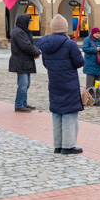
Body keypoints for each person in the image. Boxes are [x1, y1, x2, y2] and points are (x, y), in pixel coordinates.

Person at [38, 14, 85, 155]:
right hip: (69, 82)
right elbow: (79, 63)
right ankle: (68, 145)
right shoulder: (69, 44)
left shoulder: (45, 44)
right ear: (65, 28)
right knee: (69, 113)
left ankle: (58, 144)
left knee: (57, 113)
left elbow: (46, 64)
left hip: (54, 81)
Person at [9, 14, 41, 112]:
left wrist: (35, 52)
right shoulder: (18, 32)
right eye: (29, 22)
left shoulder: (23, 32)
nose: (30, 24)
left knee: (27, 84)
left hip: (25, 61)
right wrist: (37, 52)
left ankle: (23, 103)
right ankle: (19, 104)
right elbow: (26, 46)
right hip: (21, 61)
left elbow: (30, 44)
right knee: (23, 84)